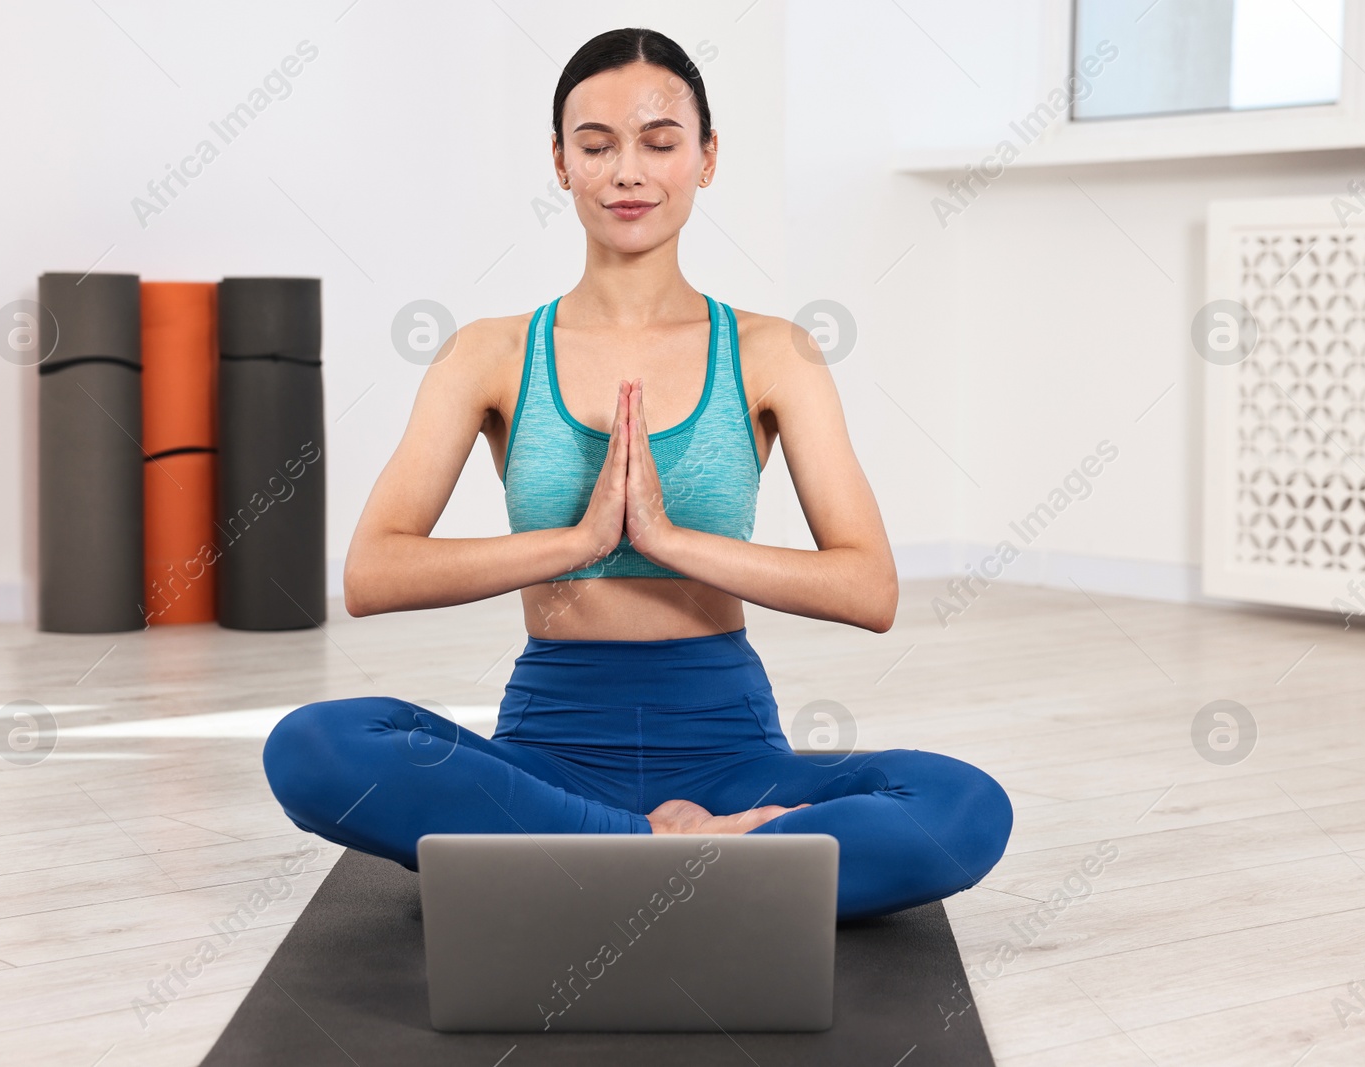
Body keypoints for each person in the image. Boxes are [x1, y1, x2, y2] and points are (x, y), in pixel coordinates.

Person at [263, 27, 1011, 920]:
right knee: (314, 745)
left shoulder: (775, 353)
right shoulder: (488, 354)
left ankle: (578, 866)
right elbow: (373, 573)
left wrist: (666, 540)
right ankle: (694, 857)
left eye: (660, 142)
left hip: (729, 746)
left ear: (706, 157)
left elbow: (870, 587)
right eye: (596, 145)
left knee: (965, 806)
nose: (628, 171)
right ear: (560, 162)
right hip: (551, 744)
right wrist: (579, 541)